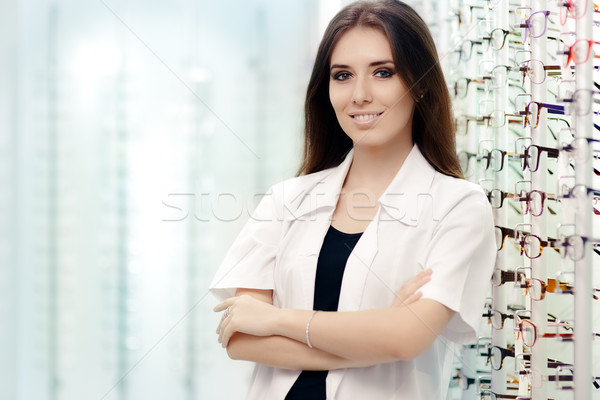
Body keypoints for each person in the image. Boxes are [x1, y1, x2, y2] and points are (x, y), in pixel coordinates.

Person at [209, 0, 497, 399]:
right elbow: (240, 338)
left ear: (421, 83)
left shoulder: (459, 206)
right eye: (342, 75)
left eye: (383, 72)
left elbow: (406, 339)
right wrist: (370, 340)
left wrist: (277, 320)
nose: (359, 95)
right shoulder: (286, 199)